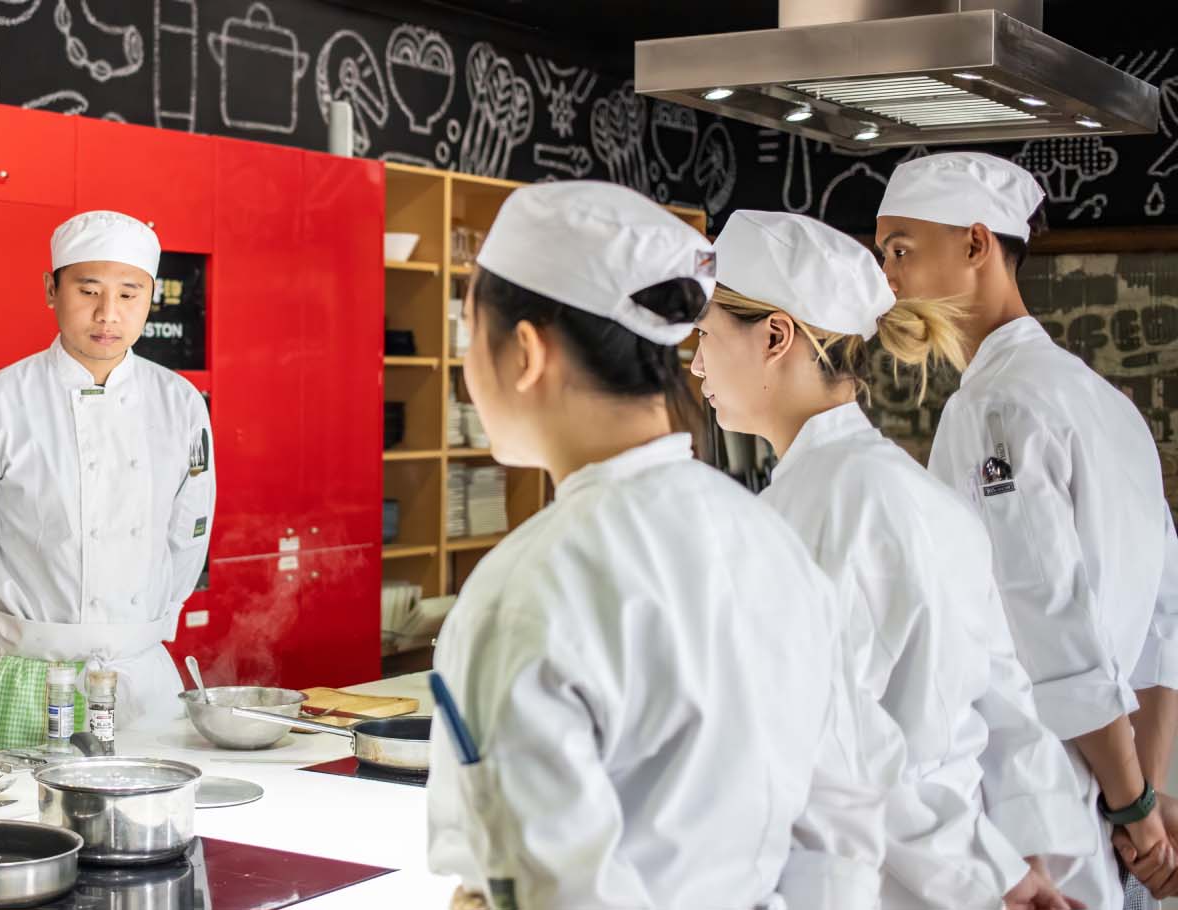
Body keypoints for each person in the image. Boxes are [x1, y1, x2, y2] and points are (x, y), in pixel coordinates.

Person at [425, 181, 894, 908]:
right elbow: (841, 826)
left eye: (467, 336)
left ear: (524, 352)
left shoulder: (525, 589)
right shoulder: (771, 541)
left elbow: (549, 890)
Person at [694, 209, 1092, 910]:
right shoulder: (910, 489)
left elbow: (844, 757)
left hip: (888, 879)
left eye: (704, 335)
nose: (695, 364)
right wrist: (1023, 860)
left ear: (776, 336)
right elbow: (1004, 696)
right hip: (961, 860)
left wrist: (993, 872)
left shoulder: (814, 513)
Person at [876, 151, 1178, 906]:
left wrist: (1132, 809)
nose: (888, 276)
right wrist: (1142, 802)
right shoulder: (1105, 403)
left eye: (901, 249)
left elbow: (1051, 627)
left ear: (977, 245)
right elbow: (1162, 632)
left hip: (1038, 808)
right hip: (1109, 804)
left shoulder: (993, 409)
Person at [0, 210, 214, 758]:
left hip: (140, 674)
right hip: (28, 671)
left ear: (151, 299)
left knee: (144, 832)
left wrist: (153, 614)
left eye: (129, 294)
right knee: (18, 834)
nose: (108, 314)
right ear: (52, 289)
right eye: (88, 290)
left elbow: (187, 529)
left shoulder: (180, 403)